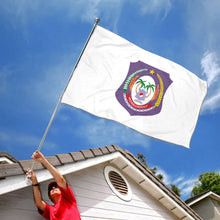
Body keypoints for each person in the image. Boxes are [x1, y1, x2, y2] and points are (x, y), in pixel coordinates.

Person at [26, 151, 81, 220]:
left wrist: (43, 161)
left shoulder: (68, 199)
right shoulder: (50, 210)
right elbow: (38, 203)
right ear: (49, 197)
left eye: (56, 186)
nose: (53, 187)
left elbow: (60, 180)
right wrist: (34, 182)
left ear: (62, 192)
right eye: (50, 189)